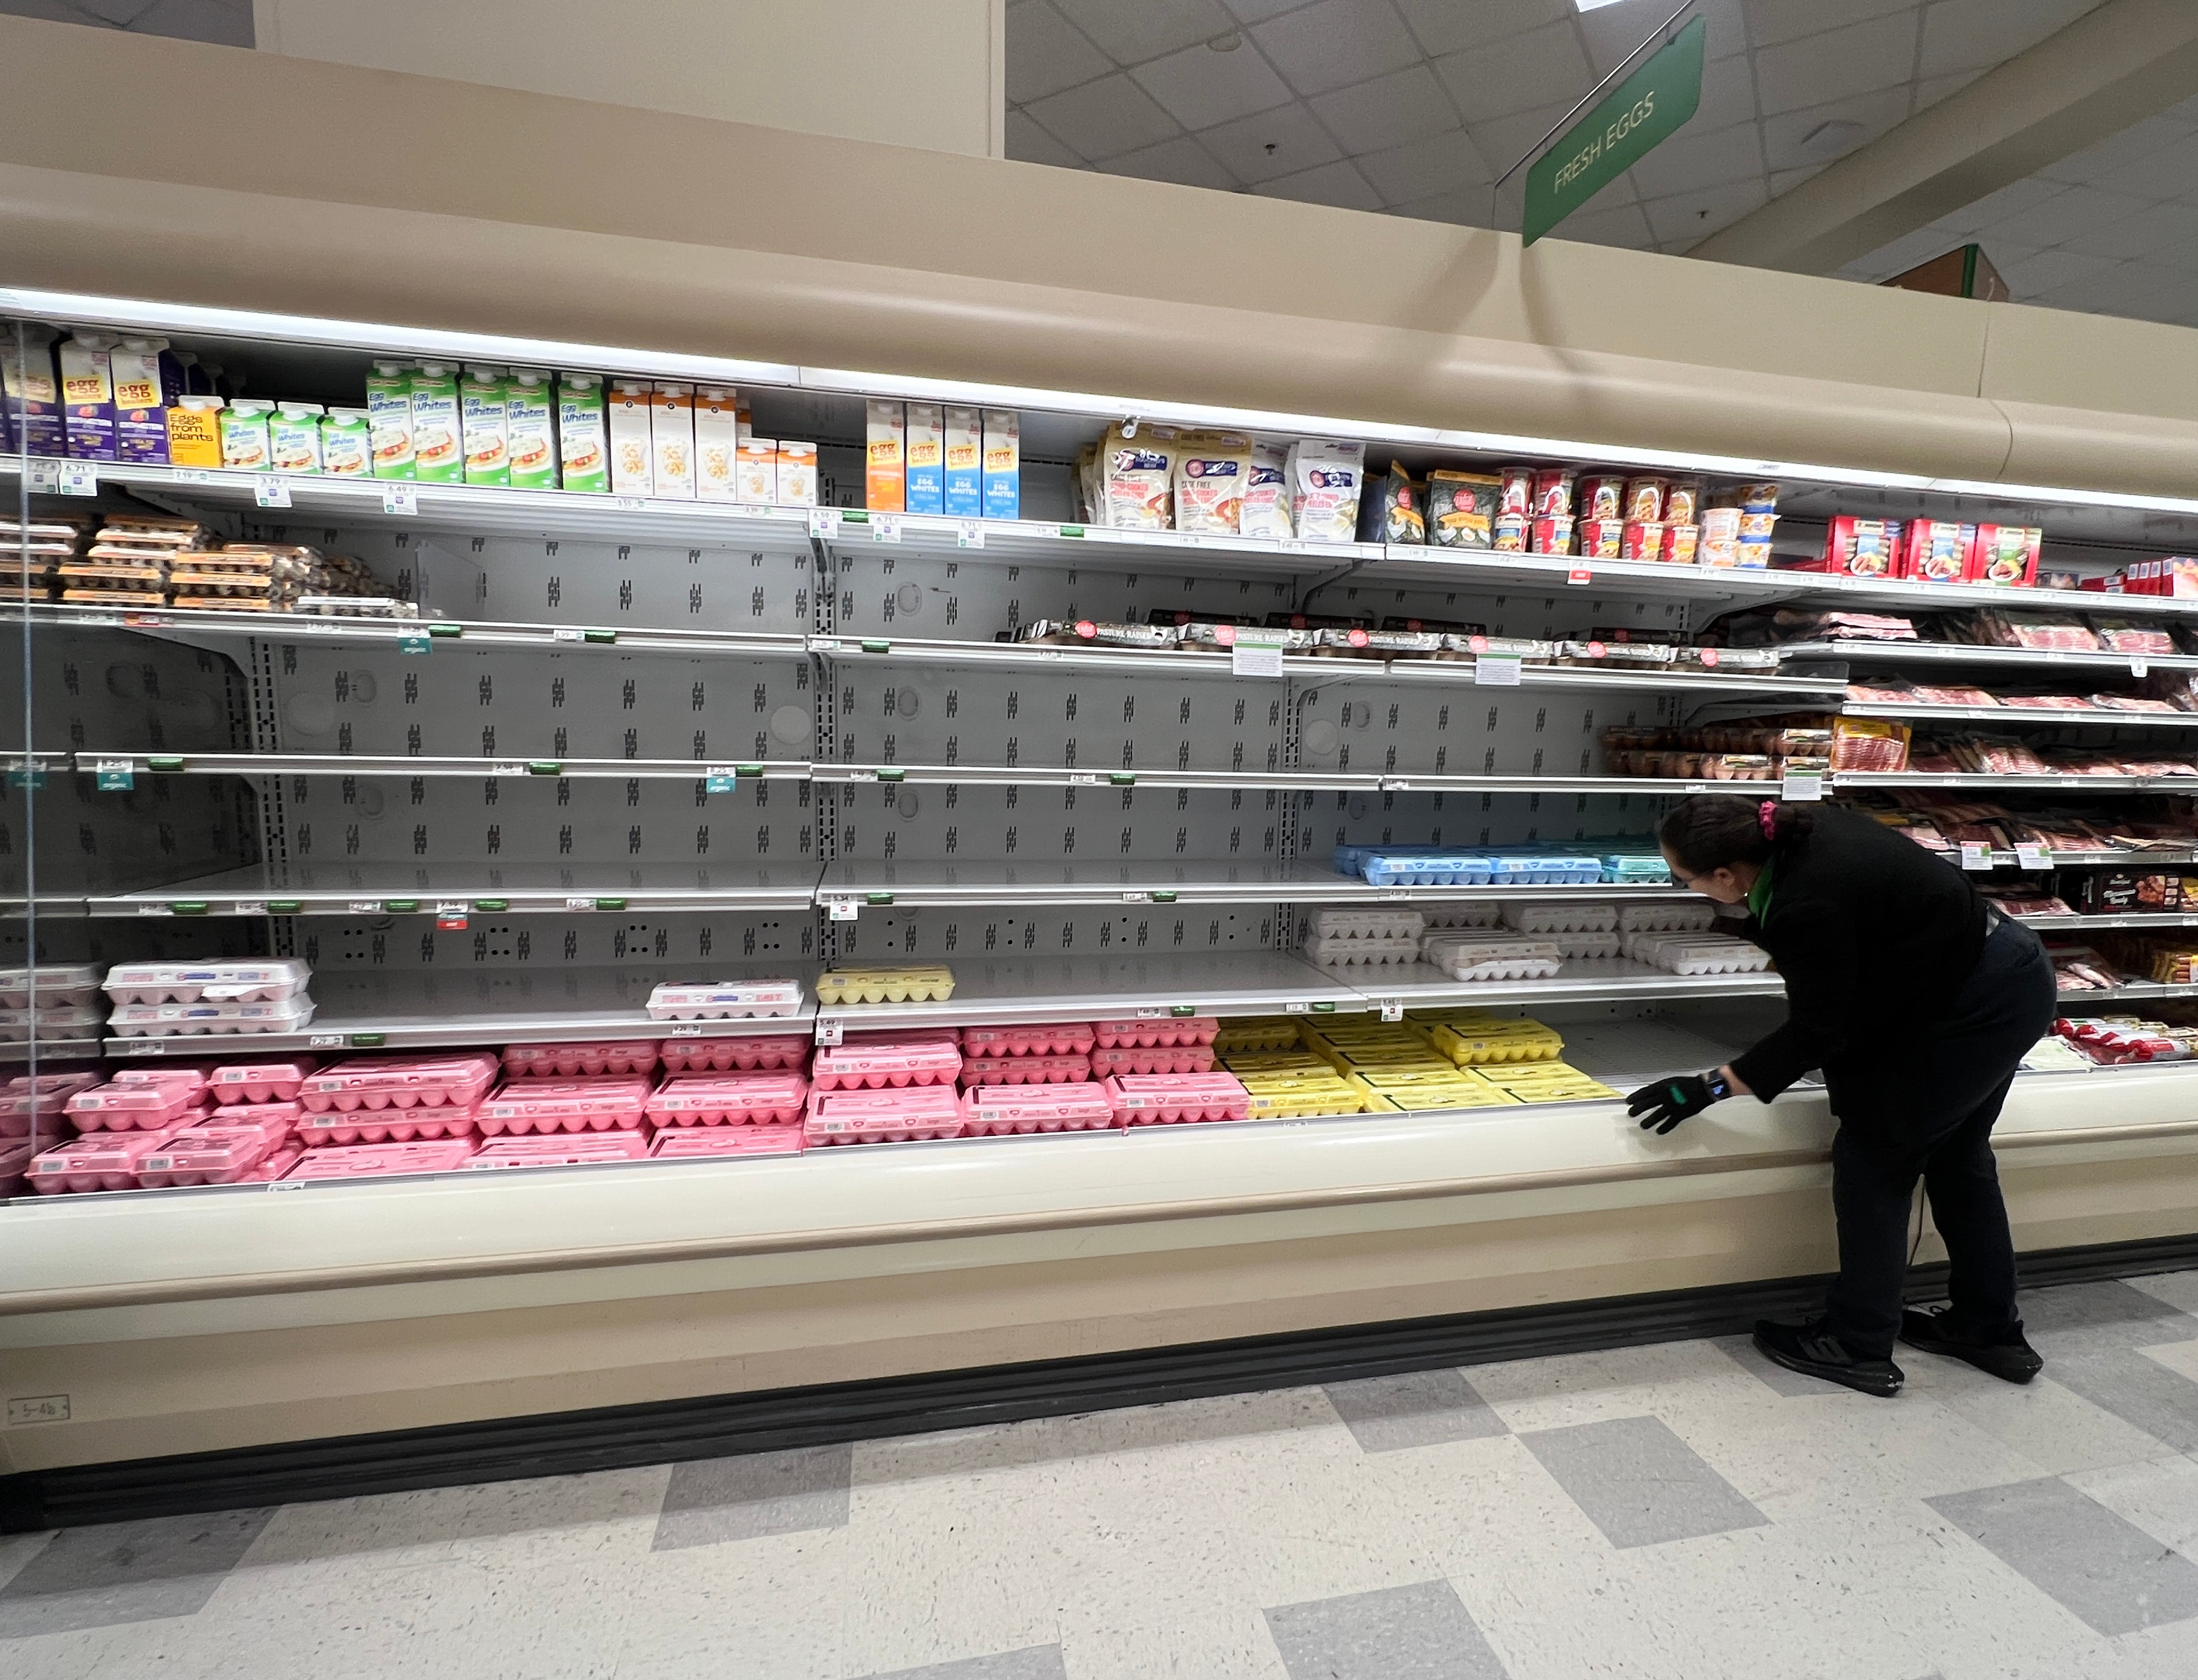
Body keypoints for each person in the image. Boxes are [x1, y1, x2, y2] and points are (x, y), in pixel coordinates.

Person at [1626, 796, 2058, 1398]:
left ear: (1727, 874)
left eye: (1687, 878)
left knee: (1874, 1165)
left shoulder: (1807, 904)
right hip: (2008, 975)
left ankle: (1856, 1344)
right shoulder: (1805, 828)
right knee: (1960, 1159)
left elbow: (1819, 1033)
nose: (1688, 888)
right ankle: (1988, 1329)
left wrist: (1707, 1087)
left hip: (1965, 1006)